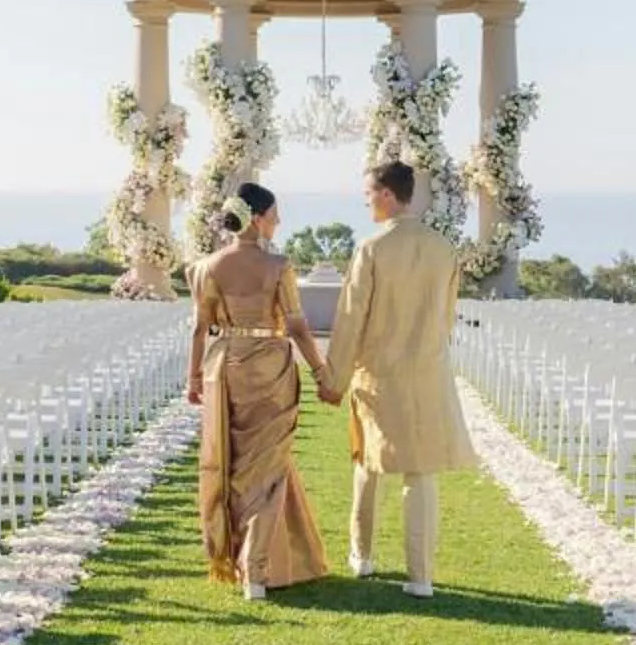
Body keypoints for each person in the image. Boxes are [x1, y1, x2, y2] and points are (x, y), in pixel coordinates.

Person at [322, 160, 470, 597]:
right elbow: (446, 318)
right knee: (420, 474)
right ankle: (420, 577)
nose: (365, 200)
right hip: (427, 375)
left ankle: (362, 556)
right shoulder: (444, 248)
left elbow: (351, 319)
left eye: (368, 192)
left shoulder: (371, 248)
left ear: (387, 194)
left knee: (369, 466)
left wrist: (334, 378)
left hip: (379, 375)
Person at [186, 180, 333, 600]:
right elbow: (298, 326)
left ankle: (245, 559)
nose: (278, 221)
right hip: (270, 364)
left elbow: (200, 329)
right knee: (269, 466)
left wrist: (193, 378)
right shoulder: (278, 266)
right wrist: (321, 372)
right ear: (256, 218)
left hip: (225, 366)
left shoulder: (207, 267)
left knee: (234, 465)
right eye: (273, 215)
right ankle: (255, 568)